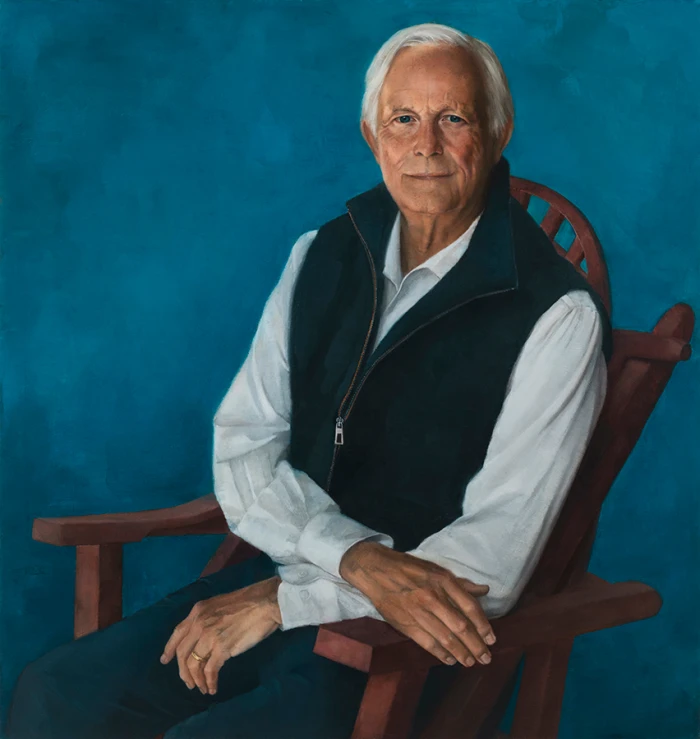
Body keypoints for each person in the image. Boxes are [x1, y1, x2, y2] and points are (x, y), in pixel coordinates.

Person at [6, 22, 612, 739]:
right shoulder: (321, 255)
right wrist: (349, 558)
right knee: (55, 695)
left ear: (498, 131)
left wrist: (282, 600)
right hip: (287, 582)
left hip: (405, 647)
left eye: (454, 119)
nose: (426, 145)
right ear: (372, 136)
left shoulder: (558, 314)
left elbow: (494, 563)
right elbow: (244, 446)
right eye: (404, 119)